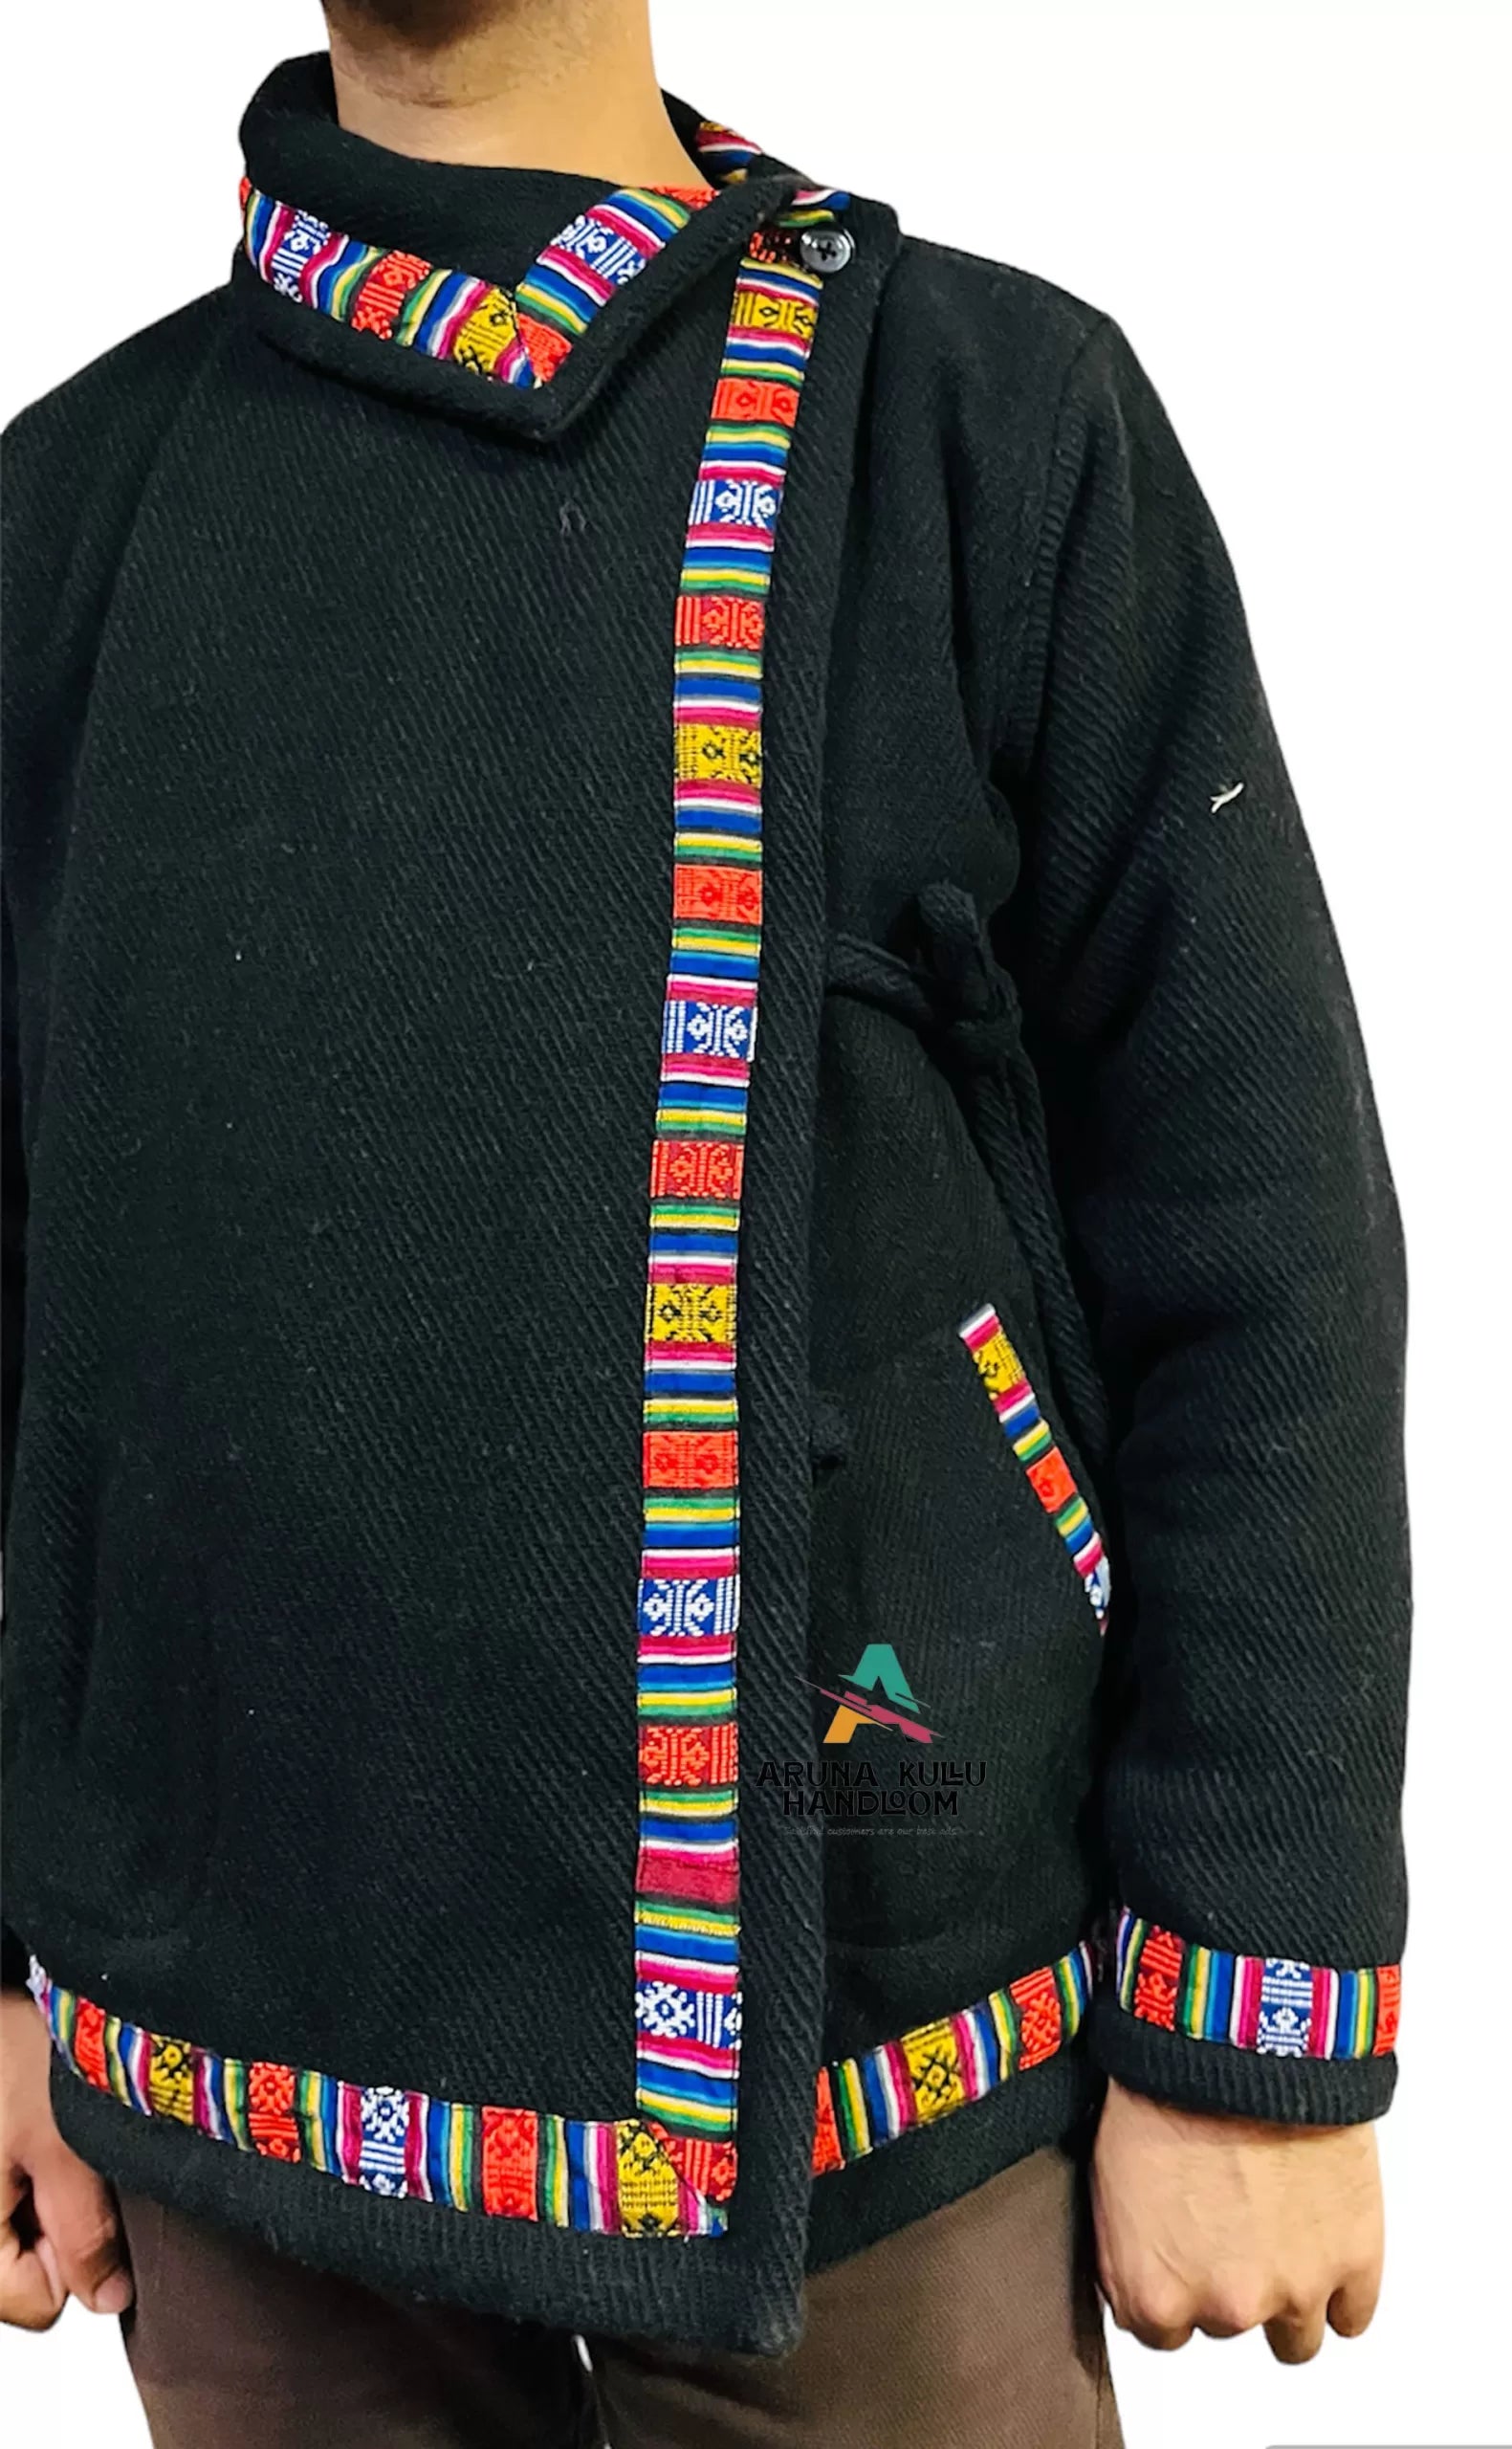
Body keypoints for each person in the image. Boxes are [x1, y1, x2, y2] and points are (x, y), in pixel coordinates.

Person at [0, 0, 1411, 2440]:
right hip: (234, 2082)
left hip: (872, 2056)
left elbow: (1257, 1243)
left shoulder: (983, 420)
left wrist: (1248, 1995)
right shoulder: (63, 517)